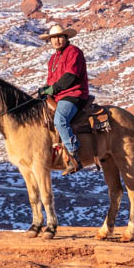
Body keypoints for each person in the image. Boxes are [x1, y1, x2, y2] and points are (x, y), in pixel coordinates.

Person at [39, 22, 90, 168]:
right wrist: (45, 89)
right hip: (58, 95)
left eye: (59, 37)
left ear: (66, 37)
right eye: (53, 38)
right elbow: (52, 81)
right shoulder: (52, 59)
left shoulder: (74, 52)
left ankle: (74, 154)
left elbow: (70, 76)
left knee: (60, 119)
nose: (56, 40)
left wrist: (53, 89)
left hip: (73, 94)